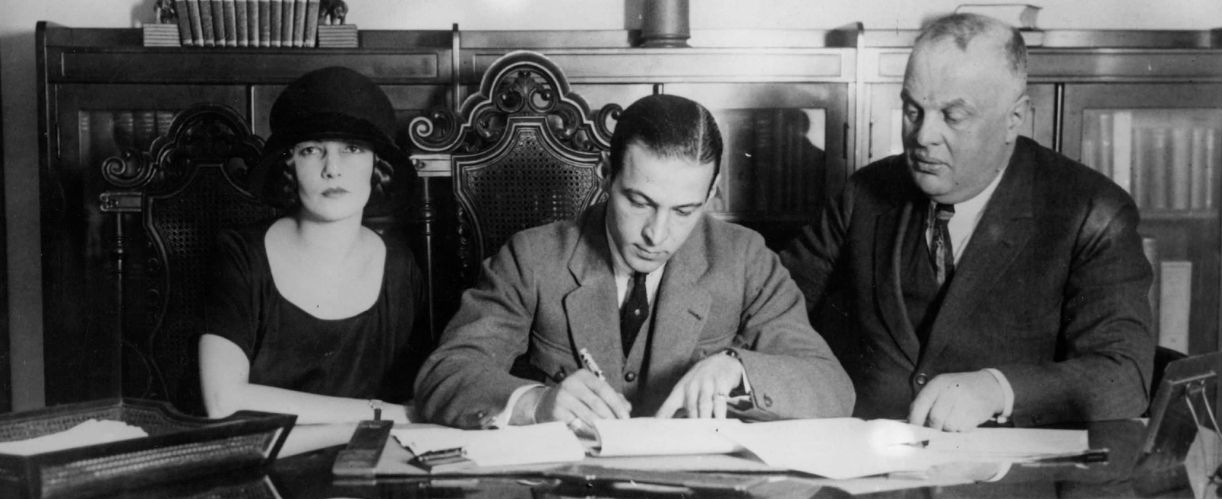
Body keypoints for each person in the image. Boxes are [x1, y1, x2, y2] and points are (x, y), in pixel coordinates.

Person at [781, 13, 1154, 432]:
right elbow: (773, 305)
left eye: (953, 116)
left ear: (1014, 119)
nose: (923, 136)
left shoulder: (1090, 212)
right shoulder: (864, 193)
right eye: (912, 110)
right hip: (862, 470)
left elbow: (1124, 376)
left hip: (1006, 485)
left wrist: (997, 389)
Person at [415, 93, 854, 429]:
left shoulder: (745, 261)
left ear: (713, 190)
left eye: (685, 211)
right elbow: (445, 373)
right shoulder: (531, 258)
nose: (656, 235)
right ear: (607, 175)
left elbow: (833, 389)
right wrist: (535, 403)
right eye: (639, 202)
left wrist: (739, 372)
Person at [199, 65, 424, 423]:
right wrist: (380, 413)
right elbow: (222, 400)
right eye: (310, 150)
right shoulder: (241, 255)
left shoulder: (399, 265)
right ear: (288, 166)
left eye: (351, 148)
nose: (332, 169)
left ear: (376, 167)